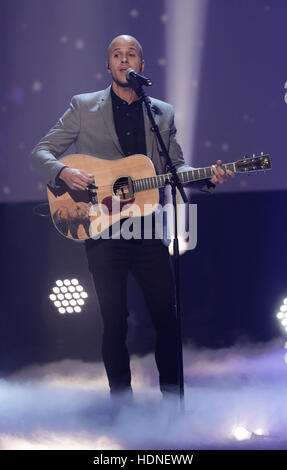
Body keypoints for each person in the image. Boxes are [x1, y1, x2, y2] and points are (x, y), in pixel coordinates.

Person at [30, 35, 233, 398]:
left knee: (166, 317)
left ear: (142, 66)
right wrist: (63, 173)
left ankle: (173, 404)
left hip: (148, 225)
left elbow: (175, 167)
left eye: (132, 55)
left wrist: (208, 177)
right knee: (115, 322)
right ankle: (121, 407)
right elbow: (41, 152)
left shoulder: (161, 113)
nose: (124, 60)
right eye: (117, 55)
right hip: (101, 226)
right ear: (108, 66)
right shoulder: (83, 106)